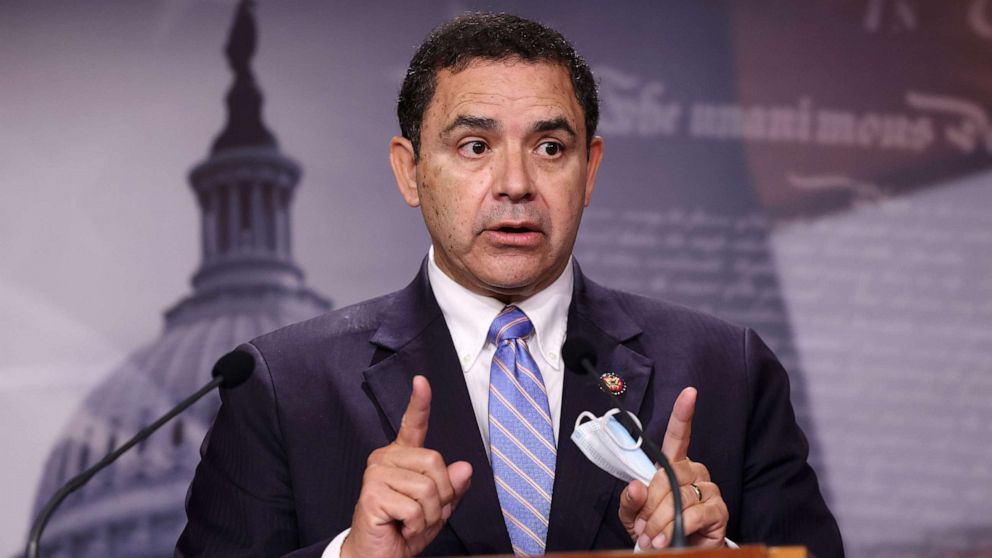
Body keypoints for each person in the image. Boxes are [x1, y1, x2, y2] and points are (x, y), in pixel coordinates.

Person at [176, 12, 843, 558]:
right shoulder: (281, 387)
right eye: (474, 147)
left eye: (551, 148)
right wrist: (353, 557)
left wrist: (717, 553)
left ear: (590, 170)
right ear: (409, 172)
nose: (517, 183)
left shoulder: (727, 370)